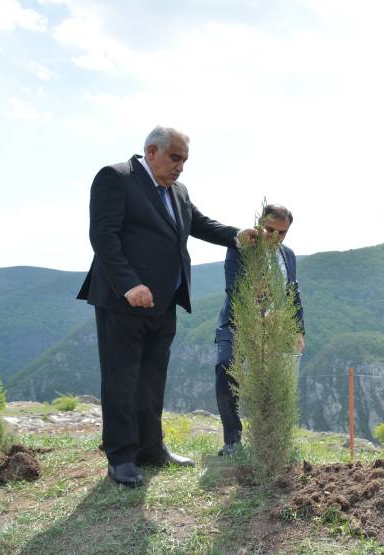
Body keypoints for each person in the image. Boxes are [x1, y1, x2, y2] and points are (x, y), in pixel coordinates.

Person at [77, 126, 255, 487]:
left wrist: (236, 235)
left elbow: (198, 223)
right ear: (152, 151)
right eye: (175, 158)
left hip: (164, 302)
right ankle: (121, 458)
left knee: (152, 379)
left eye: (185, 160)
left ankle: (151, 449)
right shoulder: (116, 177)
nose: (181, 167)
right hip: (123, 300)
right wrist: (129, 284)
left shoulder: (178, 191)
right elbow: (103, 236)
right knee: (121, 379)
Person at [214, 204, 305, 456]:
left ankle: (273, 441)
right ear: (259, 224)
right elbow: (233, 290)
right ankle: (232, 441)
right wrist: (259, 315)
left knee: (279, 382)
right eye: (269, 229)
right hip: (237, 323)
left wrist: (299, 330)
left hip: (278, 329)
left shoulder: (289, 255)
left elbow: (292, 293)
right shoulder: (239, 248)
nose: (274, 237)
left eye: (281, 233)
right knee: (225, 366)